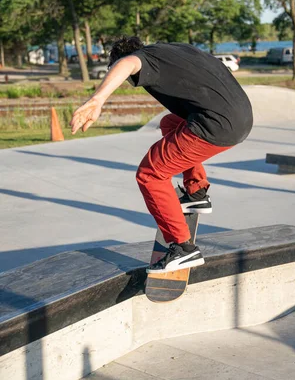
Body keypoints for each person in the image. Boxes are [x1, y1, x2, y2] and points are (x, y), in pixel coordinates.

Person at [70, 37, 253, 273]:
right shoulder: (174, 49)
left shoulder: (145, 59)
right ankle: (196, 191)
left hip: (218, 125)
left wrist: (97, 99)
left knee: (150, 173)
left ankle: (183, 248)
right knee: (169, 123)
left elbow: (128, 63)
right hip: (241, 115)